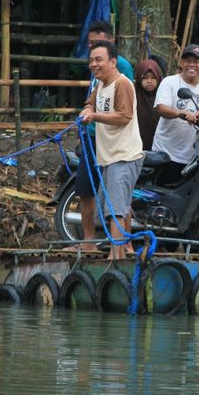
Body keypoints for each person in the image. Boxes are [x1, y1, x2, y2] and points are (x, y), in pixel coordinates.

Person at [74, 21, 135, 253]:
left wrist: (96, 116)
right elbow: (93, 96)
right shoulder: (95, 69)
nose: (93, 55)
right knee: (85, 187)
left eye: (99, 45)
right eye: (90, 45)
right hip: (91, 136)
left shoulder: (121, 69)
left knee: (118, 191)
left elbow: (125, 110)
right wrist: (87, 109)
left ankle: (124, 243)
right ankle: (88, 240)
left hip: (114, 139)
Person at [151, 44, 199, 185]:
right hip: (166, 151)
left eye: (196, 61)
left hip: (194, 154)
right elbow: (160, 108)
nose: (191, 65)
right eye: (187, 61)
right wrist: (180, 113)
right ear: (181, 63)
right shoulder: (169, 82)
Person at [134, 59, 163, 151]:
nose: (149, 81)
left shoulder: (164, 96)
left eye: (153, 77)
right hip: (136, 146)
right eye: (145, 78)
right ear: (139, 78)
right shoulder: (133, 95)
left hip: (160, 146)